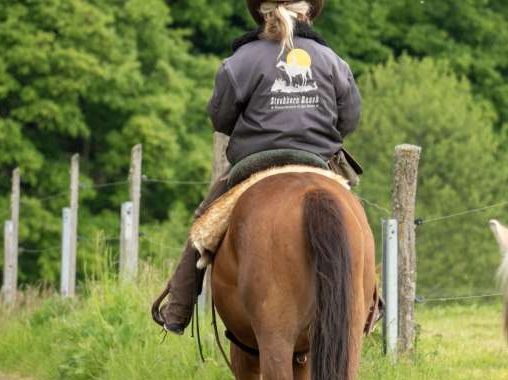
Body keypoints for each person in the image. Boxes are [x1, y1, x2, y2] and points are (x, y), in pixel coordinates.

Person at [152, 0, 362, 334]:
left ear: (262, 14)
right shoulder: (333, 61)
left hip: (254, 165)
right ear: (308, 13)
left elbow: (220, 119)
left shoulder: (240, 61)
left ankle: (178, 309)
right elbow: (349, 119)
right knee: (354, 219)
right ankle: (370, 302)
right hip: (317, 162)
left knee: (204, 226)